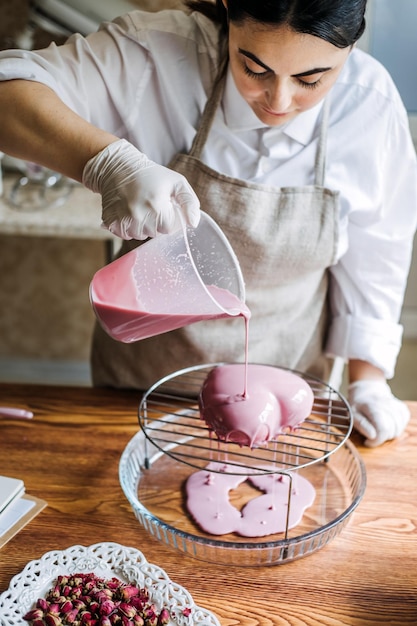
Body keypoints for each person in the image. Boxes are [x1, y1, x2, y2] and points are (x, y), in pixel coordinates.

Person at [0, 0, 416, 447]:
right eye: (253, 67)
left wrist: (368, 380)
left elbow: (379, 253)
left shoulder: (368, 105)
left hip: (283, 398)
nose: (278, 101)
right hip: (139, 389)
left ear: (350, 49)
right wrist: (106, 162)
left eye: (310, 80)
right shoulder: (159, 55)